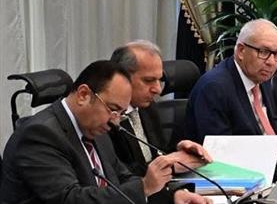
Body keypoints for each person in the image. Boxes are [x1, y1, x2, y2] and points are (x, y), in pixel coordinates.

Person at [1, 60, 207, 204]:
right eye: (113, 109)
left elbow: (122, 178)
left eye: (121, 113)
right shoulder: (40, 135)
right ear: (83, 94)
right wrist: (144, 186)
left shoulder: (95, 127)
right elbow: (70, 199)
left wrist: (171, 198)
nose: (115, 120)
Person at [184, 19, 277, 156]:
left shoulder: (261, 79)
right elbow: (217, 153)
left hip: (273, 163)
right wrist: (274, 151)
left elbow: (270, 134)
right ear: (241, 51)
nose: (271, 62)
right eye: (264, 52)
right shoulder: (214, 87)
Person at [108, 41, 213, 183]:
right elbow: (120, 174)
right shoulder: (107, 117)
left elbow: (157, 152)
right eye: (148, 80)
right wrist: (170, 164)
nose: (157, 89)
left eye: (159, 80)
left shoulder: (148, 106)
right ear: (121, 78)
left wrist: (180, 151)